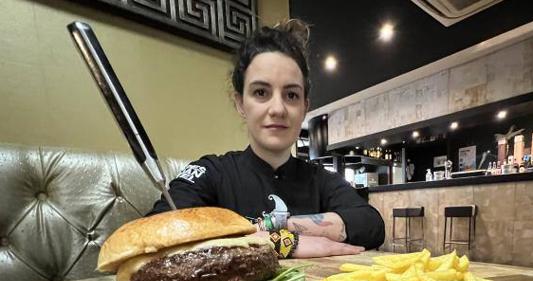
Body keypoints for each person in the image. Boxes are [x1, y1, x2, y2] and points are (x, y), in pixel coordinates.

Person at [149, 19, 385, 258]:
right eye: (261, 92)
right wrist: (285, 244)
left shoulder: (321, 180)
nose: (278, 109)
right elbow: (156, 231)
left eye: (291, 95)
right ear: (241, 103)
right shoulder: (212, 172)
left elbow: (370, 224)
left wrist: (277, 227)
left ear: (305, 107)